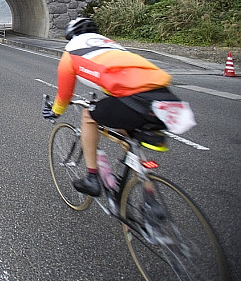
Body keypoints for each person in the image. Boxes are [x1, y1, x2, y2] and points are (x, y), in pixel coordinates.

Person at [42, 17, 195, 197]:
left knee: (88, 116)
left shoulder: (71, 52)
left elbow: (65, 95)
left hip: (135, 100)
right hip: (166, 99)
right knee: (127, 132)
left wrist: (55, 112)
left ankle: (92, 178)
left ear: (71, 36)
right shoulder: (113, 46)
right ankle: (150, 200)